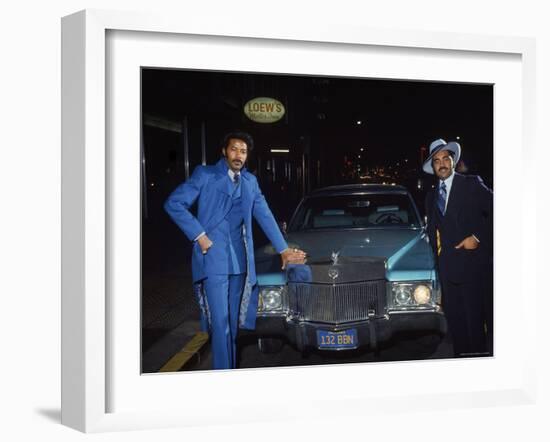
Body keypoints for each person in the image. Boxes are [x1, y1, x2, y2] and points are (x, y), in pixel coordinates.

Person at [164, 131, 306, 369]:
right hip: (213, 260)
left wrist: (283, 249)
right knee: (220, 324)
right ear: (224, 151)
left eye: (243, 151)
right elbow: (173, 203)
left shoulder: (250, 182)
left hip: (240, 263)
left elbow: (265, 215)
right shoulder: (206, 175)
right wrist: (199, 236)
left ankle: (228, 370)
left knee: (232, 323)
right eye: (234, 149)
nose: (238, 155)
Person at [423, 138, 493, 357]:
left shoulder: (471, 184)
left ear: (453, 161)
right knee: (457, 328)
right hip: (448, 274)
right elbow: (435, 235)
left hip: (473, 269)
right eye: (437, 161)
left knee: (475, 327)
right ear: (433, 167)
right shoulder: (430, 196)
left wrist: (478, 237)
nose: (442, 164)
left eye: (446, 158)